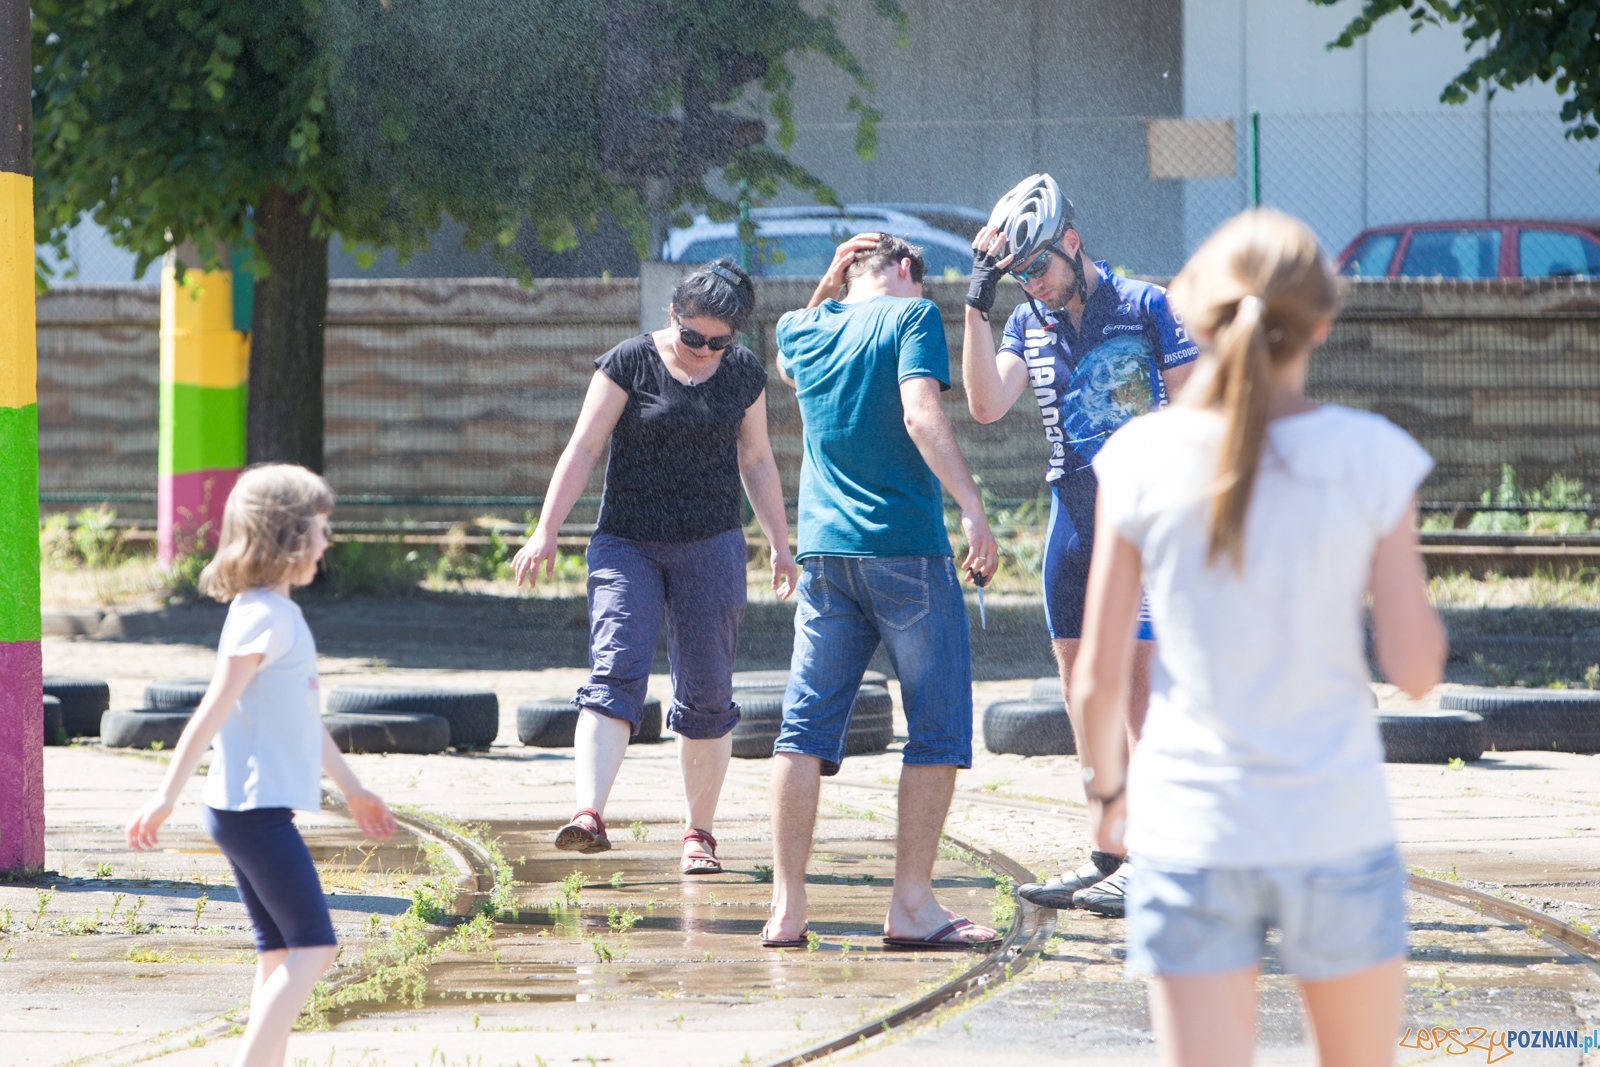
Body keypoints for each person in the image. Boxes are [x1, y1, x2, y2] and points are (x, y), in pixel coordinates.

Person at [1074, 208, 1446, 1065]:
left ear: (1197, 318)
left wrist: (1107, 800)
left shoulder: (1138, 458)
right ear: (1322, 321)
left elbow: (1097, 679)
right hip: (1335, 823)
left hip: (1190, 828)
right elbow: (1416, 667)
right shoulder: (1371, 455)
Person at [961, 174, 1198, 917]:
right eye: (1017, 273)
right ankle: (1112, 850)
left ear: (1072, 240)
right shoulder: (1027, 322)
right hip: (1074, 512)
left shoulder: (1147, 306)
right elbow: (985, 404)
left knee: (1135, 686)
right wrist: (976, 299)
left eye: (1038, 268)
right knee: (1081, 689)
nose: (1031, 283)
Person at [512, 259, 795, 875]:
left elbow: (757, 460)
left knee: (708, 691)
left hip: (712, 545)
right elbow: (584, 448)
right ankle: (588, 814)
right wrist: (546, 530)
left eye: (719, 342)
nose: (704, 351)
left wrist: (779, 541)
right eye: (693, 337)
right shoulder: (628, 362)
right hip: (627, 544)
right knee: (615, 669)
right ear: (672, 317)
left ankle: (699, 834)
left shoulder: (743, 373)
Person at [761, 233, 1001, 950]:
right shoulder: (912, 317)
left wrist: (826, 282)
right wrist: (972, 506)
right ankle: (911, 904)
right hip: (905, 551)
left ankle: (786, 907)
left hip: (825, 560)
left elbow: (786, 367)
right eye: (919, 279)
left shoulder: (803, 326)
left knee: (800, 732)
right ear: (904, 270)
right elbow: (921, 413)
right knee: (936, 726)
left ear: (844, 273)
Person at [125, 464, 397, 1067]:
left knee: (277, 954)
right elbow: (211, 710)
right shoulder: (264, 618)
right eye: (322, 530)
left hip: (249, 811)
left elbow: (302, 716)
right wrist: (164, 796)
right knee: (316, 948)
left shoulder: (270, 612)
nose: (327, 544)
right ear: (292, 535)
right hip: (253, 815)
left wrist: (353, 790)